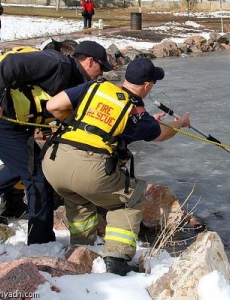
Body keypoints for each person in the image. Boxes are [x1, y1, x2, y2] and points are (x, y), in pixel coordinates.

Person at [42, 57, 191, 275]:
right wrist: (181, 123)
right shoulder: (135, 111)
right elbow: (162, 134)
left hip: (54, 161)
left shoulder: (96, 87)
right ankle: (116, 259)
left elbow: (52, 105)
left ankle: (82, 248)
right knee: (131, 200)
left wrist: (78, 122)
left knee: (78, 198)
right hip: (90, 167)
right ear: (147, 85)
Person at [0, 40, 112, 244]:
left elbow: (44, 102)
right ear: (90, 61)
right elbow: (12, 63)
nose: (101, 74)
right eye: (101, 68)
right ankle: (41, 242)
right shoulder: (57, 63)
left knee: (27, 164)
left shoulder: (75, 80)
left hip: (15, 123)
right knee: (37, 176)